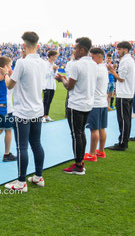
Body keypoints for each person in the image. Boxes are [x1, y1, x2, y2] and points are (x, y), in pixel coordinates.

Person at [2, 31, 47, 192]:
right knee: (36, 143)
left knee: (22, 147)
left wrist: (6, 73)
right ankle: (38, 176)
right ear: (37, 45)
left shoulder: (22, 62)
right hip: (37, 109)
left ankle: (21, 182)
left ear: (23, 45)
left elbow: (9, 85)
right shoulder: (43, 63)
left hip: (22, 111)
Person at [56, 37, 97, 175]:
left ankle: (78, 165)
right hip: (88, 103)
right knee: (81, 132)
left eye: (75, 48)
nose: (74, 51)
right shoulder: (93, 64)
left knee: (76, 134)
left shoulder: (76, 65)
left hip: (76, 104)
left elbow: (70, 86)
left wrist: (62, 79)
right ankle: (80, 162)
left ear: (82, 50)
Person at [106, 41, 135, 151]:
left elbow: (121, 78)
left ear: (125, 49)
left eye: (119, 49)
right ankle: (124, 141)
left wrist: (112, 71)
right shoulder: (130, 60)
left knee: (123, 119)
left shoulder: (125, 60)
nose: (117, 51)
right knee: (126, 119)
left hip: (124, 94)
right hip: (128, 93)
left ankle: (122, 142)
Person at [83, 48, 108, 162]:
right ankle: (101, 151)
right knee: (101, 128)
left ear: (99, 57)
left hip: (96, 103)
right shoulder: (104, 67)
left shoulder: (97, 69)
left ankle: (92, 154)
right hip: (102, 102)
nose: (91, 59)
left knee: (94, 129)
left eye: (92, 57)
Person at [42, 50, 59, 122]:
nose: (56, 58)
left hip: (52, 85)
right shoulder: (45, 64)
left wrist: (55, 71)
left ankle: (46, 115)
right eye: (55, 56)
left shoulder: (54, 65)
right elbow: (45, 75)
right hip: (46, 85)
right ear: (51, 56)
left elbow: (55, 75)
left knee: (49, 101)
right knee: (45, 101)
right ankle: (42, 116)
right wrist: (52, 70)